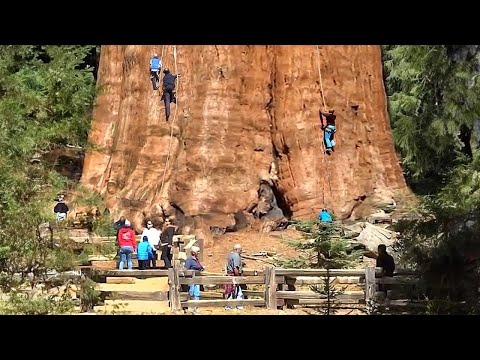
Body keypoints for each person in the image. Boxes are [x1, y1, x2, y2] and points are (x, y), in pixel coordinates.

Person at [224, 243, 244, 310]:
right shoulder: (236, 255)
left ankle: (230, 305)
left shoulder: (230, 255)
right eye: (240, 250)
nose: (241, 251)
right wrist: (238, 277)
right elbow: (235, 268)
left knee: (232, 290)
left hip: (230, 274)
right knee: (235, 290)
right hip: (234, 275)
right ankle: (237, 305)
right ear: (237, 249)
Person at [184, 246, 205, 312]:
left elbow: (199, 267)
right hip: (191, 279)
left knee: (196, 292)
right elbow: (186, 269)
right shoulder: (189, 260)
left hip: (197, 279)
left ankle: (196, 306)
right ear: (193, 252)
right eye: (197, 251)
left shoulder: (196, 260)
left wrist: (202, 268)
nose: (198, 253)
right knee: (191, 292)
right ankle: (190, 306)